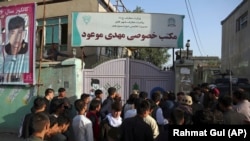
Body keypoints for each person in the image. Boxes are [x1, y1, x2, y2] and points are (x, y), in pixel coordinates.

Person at [3, 15, 29, 82]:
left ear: (24, 34)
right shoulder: (3, 51)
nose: (16, 37)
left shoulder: (28, 50)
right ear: (8, 34)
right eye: (13, 33)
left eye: (19, 33)